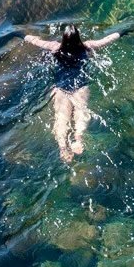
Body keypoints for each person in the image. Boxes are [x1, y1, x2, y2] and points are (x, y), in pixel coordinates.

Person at [23, 23, 121, 164]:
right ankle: (78, 139)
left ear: (63, 38)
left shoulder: (55, 48)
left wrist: (20, 34)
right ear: (78, 38)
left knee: (61, 118)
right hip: (80, 87)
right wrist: (123, 32)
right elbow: (107, 40)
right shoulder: (88, 47)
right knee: (81, 112)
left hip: (61, 88)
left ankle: (63, 147)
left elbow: (35, 41)